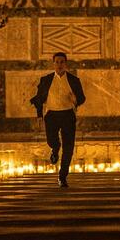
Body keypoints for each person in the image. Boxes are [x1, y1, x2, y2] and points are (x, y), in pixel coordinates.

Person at [30, 52, 85, 187]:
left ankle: (62, 176)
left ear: (65, 64)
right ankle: (55, 149)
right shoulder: (46, 80)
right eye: (57, 62)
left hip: (67, 115)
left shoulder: (73, 80)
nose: (59, 65)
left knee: (68, 147)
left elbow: (82, 98)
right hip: (52, 115)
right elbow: (38, 99)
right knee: (52, 140)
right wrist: (39, 115)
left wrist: (75, 100)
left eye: (62, 62)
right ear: (53, 64)